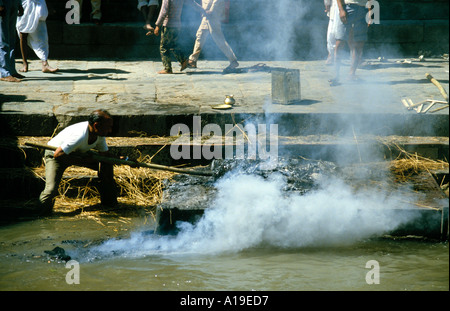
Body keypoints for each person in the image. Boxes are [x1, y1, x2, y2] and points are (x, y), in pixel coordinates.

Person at [38, 109, 118, 214]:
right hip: (55, 154)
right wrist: (84, 161)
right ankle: (41, 214)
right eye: (108, 127)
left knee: (106, 164)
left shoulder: (99, 135)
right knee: (51, 189)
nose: (110, 131)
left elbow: (105, 155)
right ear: (96, 125)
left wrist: (123, 159)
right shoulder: (79, 136)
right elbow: (58, 155)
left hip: (77, 153)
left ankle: (109, 204)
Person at [153, 0, 203, 74]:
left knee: (164, 47)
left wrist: (157, 25)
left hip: (168, 25)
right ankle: (183, 61)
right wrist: (203, 10)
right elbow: (191, 3)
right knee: (174, 45)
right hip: (177, 25)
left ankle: (167, 68)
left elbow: (164, 11)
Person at [187, 0, 238, 73]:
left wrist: (212, 10)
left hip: (212, 15)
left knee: (219, 39)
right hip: (206, 14)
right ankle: (193, 60)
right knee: (200, 35)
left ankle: (233, 60)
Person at [332, 0, 369, 84]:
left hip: (363, 8)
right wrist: (341, 9)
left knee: (359, 43)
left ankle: (351, 75)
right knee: (340, 41)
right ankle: (336, 76)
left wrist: (370, 11)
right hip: (348, 7)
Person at [16, 0, 58, 73]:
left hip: (38, 4)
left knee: (41, 35)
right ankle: (25, 63)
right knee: (23, 33)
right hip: (25, 4)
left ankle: (44, 63)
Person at [0, 0, 24, 82]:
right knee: (3, 40)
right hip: (4, 4)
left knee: (11, 39)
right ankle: (4, 73)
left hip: (14, 3)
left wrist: (19, 4)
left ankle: (11, 70)